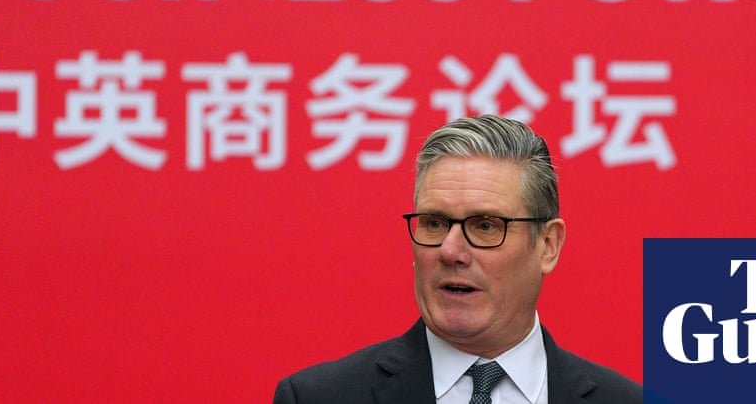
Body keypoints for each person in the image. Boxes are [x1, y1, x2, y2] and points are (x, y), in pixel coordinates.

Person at [274, 114, 642, 403]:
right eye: (434, 223)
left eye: (485, 226)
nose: (450, 251)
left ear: (548, 245)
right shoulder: (317, 397)